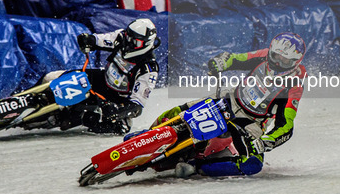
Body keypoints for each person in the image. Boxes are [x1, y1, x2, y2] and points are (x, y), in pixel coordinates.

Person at [155, 32, 307, 178]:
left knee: (252, 164)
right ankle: (149, 132)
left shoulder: (294, 85)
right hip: (230, 99)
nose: (278, 62)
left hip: (253, 122)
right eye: (276, 56)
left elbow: (286, 125)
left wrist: (267, 141)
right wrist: (220, 62)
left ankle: (198, 167)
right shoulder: (263, 55)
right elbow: (235, 59)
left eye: (285, 61)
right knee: (177, 111)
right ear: (271, 52)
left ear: (295, 62)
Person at [46, 18, 160, 133]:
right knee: (57, 76)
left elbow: (137, 106)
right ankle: (40, 94)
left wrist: (119, 110)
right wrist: (88, 39)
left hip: (118, 99)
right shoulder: (121, 37)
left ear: (146, 43)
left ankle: (70, 118)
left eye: (135, 42)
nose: (128, 42)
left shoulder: (148, 68)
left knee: (117, 127)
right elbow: (101, 39)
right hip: (102, 80)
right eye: (128, 36)